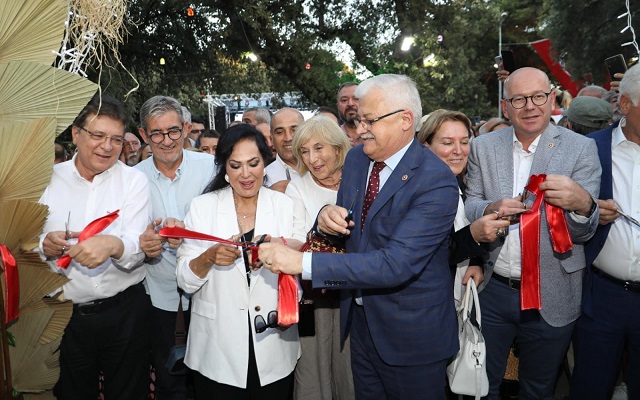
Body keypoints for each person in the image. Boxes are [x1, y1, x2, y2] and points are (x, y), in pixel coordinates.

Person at [259, 74, 460, 400]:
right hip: (360, 328)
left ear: (405, 120)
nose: (360, 128)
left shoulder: (436, 182)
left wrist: (301, 262)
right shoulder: (356, 160)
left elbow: (396, 264)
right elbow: (349, 234)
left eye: (370, 120)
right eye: (358, 119)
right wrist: (325, 220)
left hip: (412, 340)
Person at [465, 67, 601, 400]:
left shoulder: (580, 149)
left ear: (551, 98)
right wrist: (489, 207)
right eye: (519, 99)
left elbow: (582, 234)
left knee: (539, 389)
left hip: (554, 289)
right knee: (481, 386)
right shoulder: (483, 147)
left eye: (538, 96)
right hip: (494, 290)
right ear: (505, 105)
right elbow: (468, 206)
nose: (530, 106)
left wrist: (584, 205)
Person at [39, 93, 152, 399]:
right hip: (64, 316)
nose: (107, 146)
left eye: (116, 139)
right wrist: (44, 246)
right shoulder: (46, 180)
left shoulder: (133, 182)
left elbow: (137, 245)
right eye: (98, 135)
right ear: (76, 134)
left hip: (124, 311)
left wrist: (113, 245)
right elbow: (23, 241)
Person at [176, 124, 300, 399]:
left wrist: (279, 260)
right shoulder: (202, 207)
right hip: (216, 346)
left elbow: (302, 268)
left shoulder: (284, 205)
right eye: (235, 165)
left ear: (265, 164)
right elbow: (184, 279)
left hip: (274, 343)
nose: (246, 174)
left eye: (253, 163)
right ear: (224, 169)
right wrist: (208, 257)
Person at [135, 95, 217, 400]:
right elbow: (127, 238)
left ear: (186, 128)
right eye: (156, 133)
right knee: (171, 382)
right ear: (144, 135)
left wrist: (189, 233)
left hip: (211, 292)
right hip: (160, 298)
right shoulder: (133, 179)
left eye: (173, 131)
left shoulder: (212, 167)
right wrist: (142, 244)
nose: (166, 141)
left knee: (212, 379)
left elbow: (233, 224)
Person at [570, 63, 640, 400]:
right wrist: (589, 207)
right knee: (591, 387)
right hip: (602, 295)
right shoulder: (591, 148)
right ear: (625, 105)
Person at [285, 116, 354, 400]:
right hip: (315, 295)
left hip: (357, 291)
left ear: (338, 148)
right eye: (304, 150)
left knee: (351, 373)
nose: (311, 158)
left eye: (319, 148)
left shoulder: (359, 180)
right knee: (314, 373)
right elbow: (296, 239)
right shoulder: (297, 187)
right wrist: (320, 227)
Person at [418, 109, 509, 304]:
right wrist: (474, 236)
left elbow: (461, 227)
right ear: (426, 147)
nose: (458, 150)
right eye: (448, 143)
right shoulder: (417, 193)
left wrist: (475, 261)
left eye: (465, 142)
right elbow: (426, 255)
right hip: (429, 305)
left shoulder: (459, 183)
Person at [265, 107, 304, 189]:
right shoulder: (265, 177)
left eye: (294, 130)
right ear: (272, 137)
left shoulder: (320, 167)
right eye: (280, 132)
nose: (288, 138)